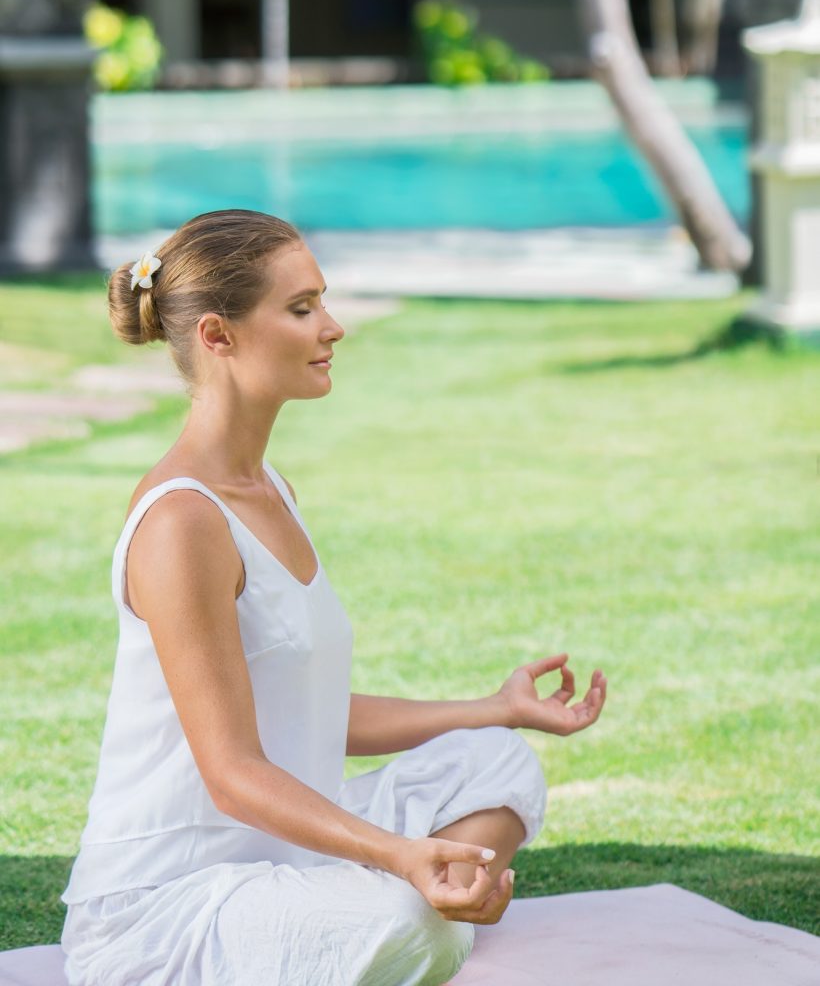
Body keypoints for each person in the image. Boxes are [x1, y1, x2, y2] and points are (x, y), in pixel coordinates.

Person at [60, 209, 608, 986]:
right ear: (218, 337)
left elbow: (312, 712)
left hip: (288, 856)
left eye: (322, 301)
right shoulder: (182, 522)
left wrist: (497, 707)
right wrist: (399, 856)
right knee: (412, 924)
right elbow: (231, 772)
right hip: (166, 912)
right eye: (302, 308)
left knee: (498, 762)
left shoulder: (270, 488)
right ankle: (403, 900)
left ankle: (394, 899)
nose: (334, 326)